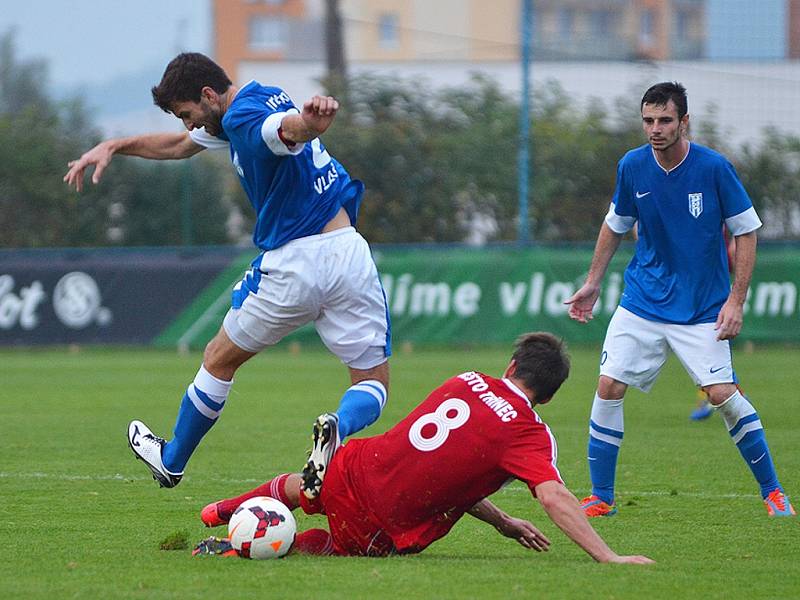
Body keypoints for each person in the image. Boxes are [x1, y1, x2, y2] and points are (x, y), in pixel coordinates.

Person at [63, 53, 390, 497]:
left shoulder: (242, 119)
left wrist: (309, 125)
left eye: (187, 114)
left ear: (208, 95)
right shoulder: (249, 103)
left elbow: (281, 131)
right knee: (372, 380)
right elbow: (181, 146)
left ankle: (172, 460)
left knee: (219, 359)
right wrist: (115, 146)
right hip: (349, 251)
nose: (186, 125)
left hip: (296, 262)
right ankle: (338, 426)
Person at [194, 333, 654, 563]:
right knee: (335, 544)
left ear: (510, 365)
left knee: (301, 488)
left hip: (358, 463)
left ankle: (219, 510)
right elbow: (553, 497)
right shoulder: (530, 434)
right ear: (550, 396)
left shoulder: (467, 380)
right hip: (384, 517)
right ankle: (242, 549)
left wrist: (504, 522)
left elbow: (448, 468)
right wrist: (608, 557)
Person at [565, 82, 795, 518]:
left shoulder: (713, 168)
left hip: (702, 308)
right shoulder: (632, 166)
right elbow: (616, 224)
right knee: (608, 385)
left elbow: (746, 231)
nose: (655, 129)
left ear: (684, 122)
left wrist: (736, 301)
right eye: (648, 121)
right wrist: (593, 281)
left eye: (665, 120)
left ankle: (774, 492)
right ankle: (601, 496)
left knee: (722, 395)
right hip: (643, 301)